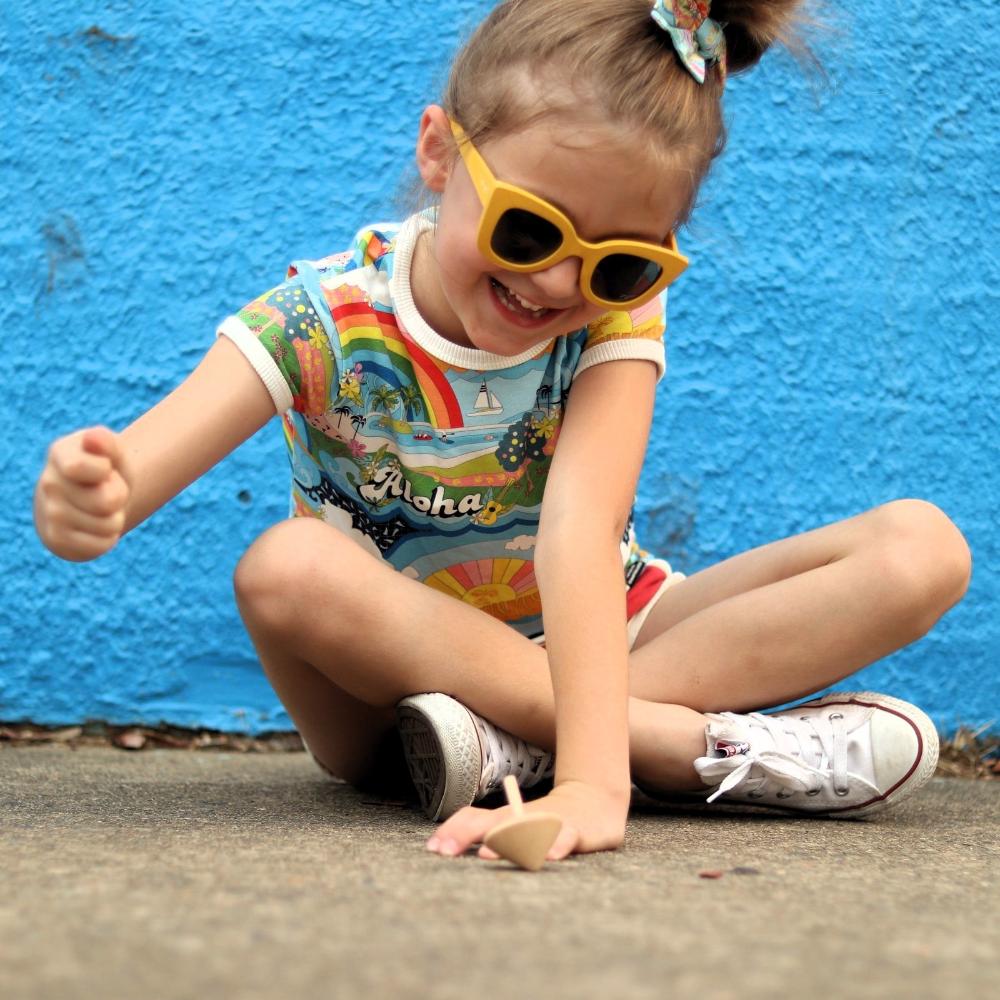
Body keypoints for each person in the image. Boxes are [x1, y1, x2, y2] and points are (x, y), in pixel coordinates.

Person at [33, 0, 971, 864]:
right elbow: (137, 470)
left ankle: (523, 742)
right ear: (440, 154)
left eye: (620, 267)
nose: (562, 285)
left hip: (604, 636)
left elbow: (580, 526)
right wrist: (94, 497)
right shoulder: (325, 318)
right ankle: (685, 749)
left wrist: (591, 786)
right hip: (390, 696)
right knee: (286, 568)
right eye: (529, 231)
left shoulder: (613, 324)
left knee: (922, 550)